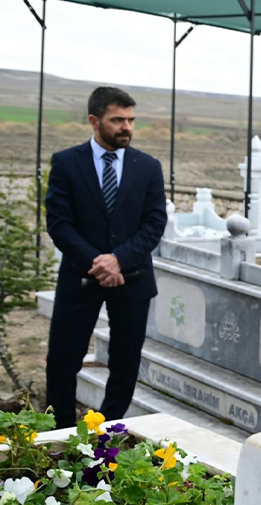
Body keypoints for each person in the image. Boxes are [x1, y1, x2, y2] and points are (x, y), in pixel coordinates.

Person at [45, 87, 166, 430]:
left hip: (133, 278)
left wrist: (118, 260)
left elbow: (154, 223)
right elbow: (59, 223)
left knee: (125, 362)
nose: (126, 127)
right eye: (117, 120)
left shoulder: (148, 167)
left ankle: (106, 433)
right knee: (62, 360)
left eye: (131, 120)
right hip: (79, 277)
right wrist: (99, 263)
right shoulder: (66, 163)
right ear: (94, 121)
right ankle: (61, 434)